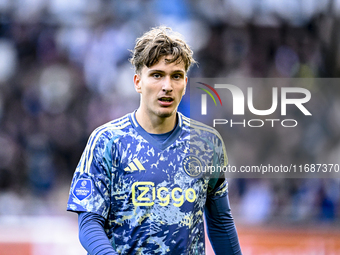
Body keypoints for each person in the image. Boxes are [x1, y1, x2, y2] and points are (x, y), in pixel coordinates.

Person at [67, 26, 242, 255]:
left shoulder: (207, 144)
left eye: (176, 76)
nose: (167, 86)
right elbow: (89, 223)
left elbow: (220, 223)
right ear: (138, 82)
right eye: (157, 75)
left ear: (185, 83)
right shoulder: (107, 141)